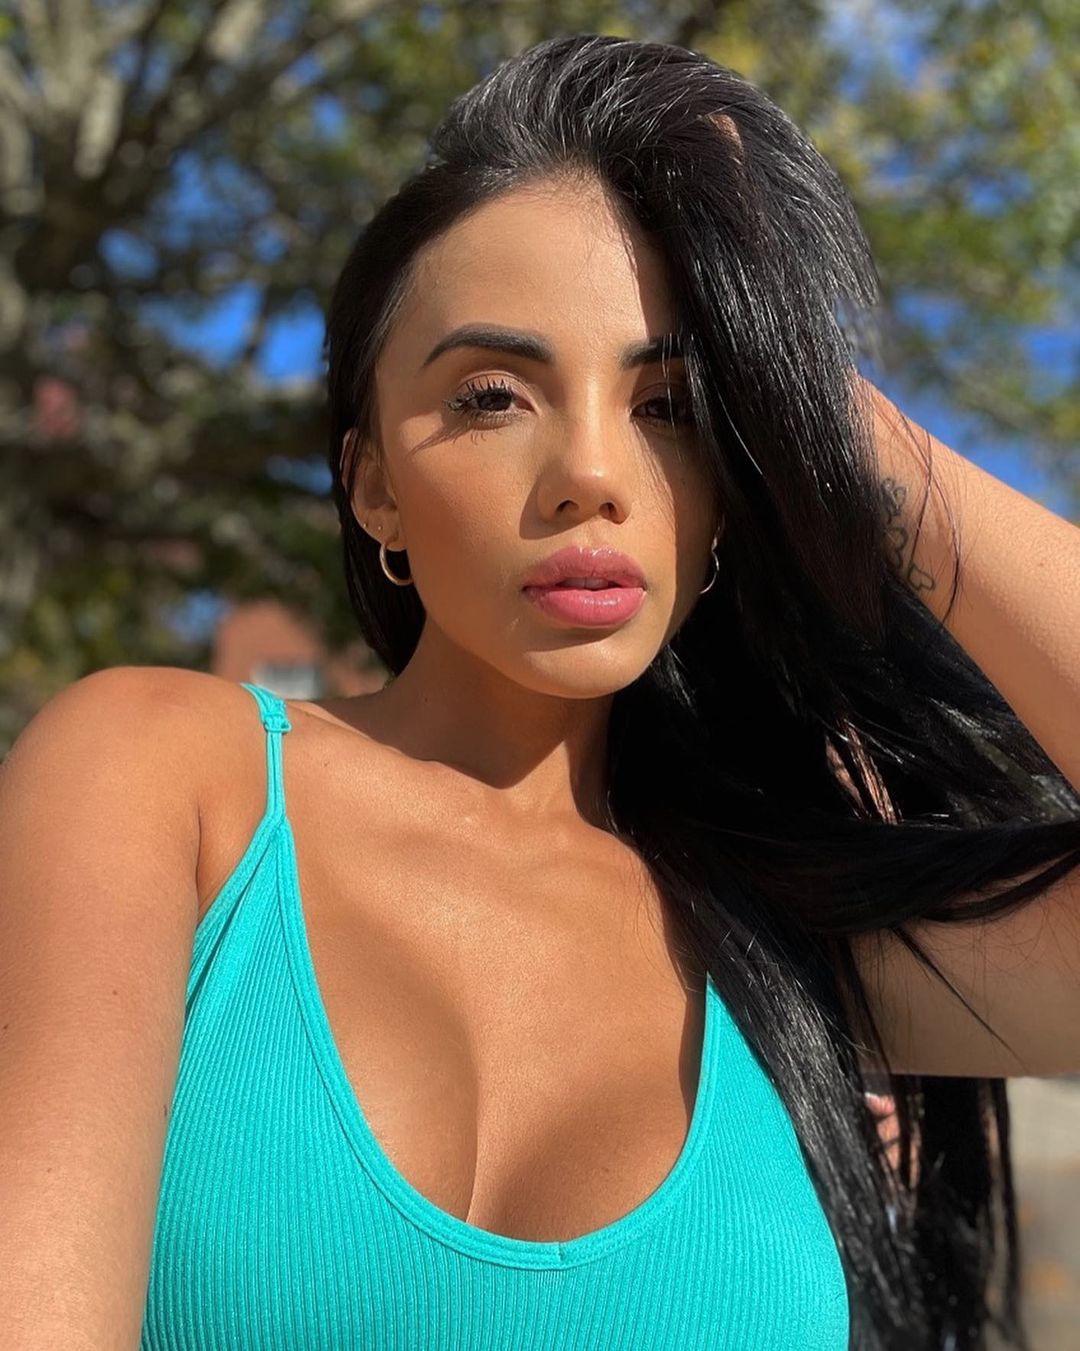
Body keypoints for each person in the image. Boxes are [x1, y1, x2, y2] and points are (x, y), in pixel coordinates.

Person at [2, 32, 1078, 1351]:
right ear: (372, 482)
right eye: (495, 395)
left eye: (671, 405)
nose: (592, 476)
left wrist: (820, 405)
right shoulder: (165, 779)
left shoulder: (783, 929)